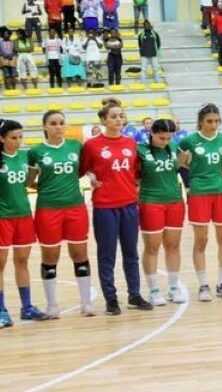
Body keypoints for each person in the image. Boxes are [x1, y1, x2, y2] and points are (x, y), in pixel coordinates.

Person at [80, 99, 153, 315]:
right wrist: (91, 175)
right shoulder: (92, 145)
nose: (118, 120)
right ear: (103, 120)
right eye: (113, 116)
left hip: (129, 205)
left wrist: (136, 189)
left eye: (121, 116)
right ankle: (111, 299)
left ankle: (134, 294)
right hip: (105, 206)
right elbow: (84, 170)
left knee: (131, 253)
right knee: (107, 254)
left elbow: (137, 172)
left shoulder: (131, 143)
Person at [28, 111, 95, 318]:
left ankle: (86, 303)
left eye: (61, 123)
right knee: (50, 256)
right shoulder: (35, 151)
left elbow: (83, 171)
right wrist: (47, 188)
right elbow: (29, 181)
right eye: (53, 123)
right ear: (45, 127)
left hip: (75, 208)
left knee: (80, 254)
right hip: (48, 209)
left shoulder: (76, 146)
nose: (58, 126)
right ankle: (52, 306)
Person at [177, 104, 222, 301]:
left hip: (221, 192)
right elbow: (180, 164)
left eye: (217, 121)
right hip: (199, 193)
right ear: (201, 122)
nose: (214, 125)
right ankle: (203, 285)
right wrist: (188, 182)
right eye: (209, 121)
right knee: (201, 240)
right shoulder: (189, 140)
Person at [0, 119, 50, 327]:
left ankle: (27, 307)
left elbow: (27, 184)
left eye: (20, 137)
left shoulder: (24, 157)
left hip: (23, 216)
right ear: (1, 138)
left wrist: (40, 180)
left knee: (22, 261)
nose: (18, 141)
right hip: (2, 218)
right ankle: (1, 311)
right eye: (13, 138)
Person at [137, 119, 187, 306]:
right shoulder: (140, 150)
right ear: (152, 133)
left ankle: (174, 288)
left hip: (174, 201)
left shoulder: (174, 147)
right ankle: (153, 290)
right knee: (152, 247)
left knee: (173, 245)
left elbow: (184, 165)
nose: (165, 141)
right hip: (151, 202)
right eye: (161, 138)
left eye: (168, 138)